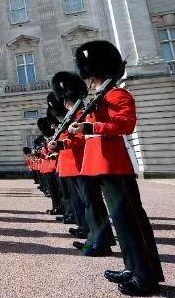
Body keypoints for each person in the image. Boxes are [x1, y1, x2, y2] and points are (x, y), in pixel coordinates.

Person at [69, 40, 163, 295]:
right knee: (121, 223)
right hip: (101, 166)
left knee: (130, 221)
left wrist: (91, 126)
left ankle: (145, 277)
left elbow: (126, 125)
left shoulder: (117, 95)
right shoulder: (99, 99)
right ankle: (132, 267)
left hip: (115, 166)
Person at [48, 71, 115, 255]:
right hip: (77, 164)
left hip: (83, 164)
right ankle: (96, 238)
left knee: (91, 203)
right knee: (89, 203)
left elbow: (83, 138)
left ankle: (100, 241)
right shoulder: (74, 115)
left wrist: (60, 144)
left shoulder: (80, 114)